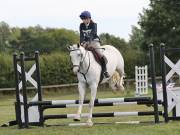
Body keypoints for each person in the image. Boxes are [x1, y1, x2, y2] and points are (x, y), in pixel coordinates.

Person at [79, 11, 110, 78]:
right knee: (79, 53)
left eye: (84, 19)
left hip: (94, 41)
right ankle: (79, 70)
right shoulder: (81, 25)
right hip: (85, 42)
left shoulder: (94, 24)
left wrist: (88, 42)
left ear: (89, 18)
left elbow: (92, 34)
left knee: (100, 54)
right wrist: (81, 43)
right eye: (82, 19)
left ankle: (105, 71)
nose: (83, 20)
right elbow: (81, 35)